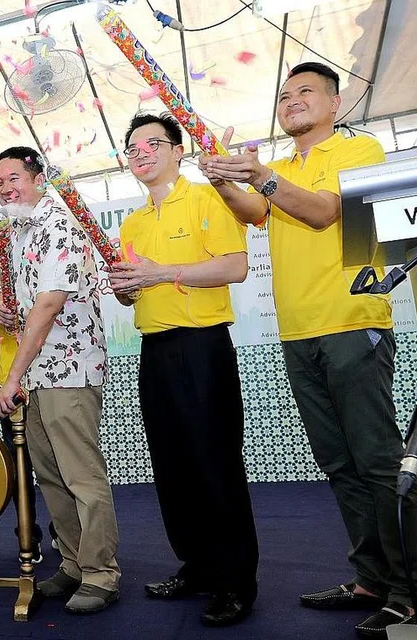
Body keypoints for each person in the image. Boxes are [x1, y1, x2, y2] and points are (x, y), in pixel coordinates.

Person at [201, 61, 417, 639]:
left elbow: (325, 213)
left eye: (305, 91)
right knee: (339, 464)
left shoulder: (359, 149)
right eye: (284, 95)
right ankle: (372, 579)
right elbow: (256, 212)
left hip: (352, 324)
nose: (292, 100)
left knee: (378, 463)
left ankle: (412, 595)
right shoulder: (283, 168)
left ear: (334, 103)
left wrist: (261, 175)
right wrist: (223, 179)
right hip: (298, 333)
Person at [111, 113, 258, 626]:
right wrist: (128, 288)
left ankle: (235, 582)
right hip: (154, 350)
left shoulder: (207, 198)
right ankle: (197, 566)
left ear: (178, 151)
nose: (141, 153)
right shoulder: (131, 223)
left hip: (201, 347)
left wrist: (162, 273)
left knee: (215, 464)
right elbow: (136, 290)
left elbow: (235, 266)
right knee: (172, 466)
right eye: (132, 148)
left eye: (152, 143)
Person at [0, 146, 121, 615]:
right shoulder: (18, 232)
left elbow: (47, 307)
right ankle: (72, 564)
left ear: (39, 178)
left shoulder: (60, 225)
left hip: (69, 369)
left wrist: (10, 379)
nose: (5, 189)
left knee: (81, 475)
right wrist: (3, 310)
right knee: (50, 476)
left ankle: (101, 573)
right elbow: (26, 307)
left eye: (14, 178)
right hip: (39, 375)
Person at [0, 288, 43, 563]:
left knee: (57, 465)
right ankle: (28, 536)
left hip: (48, 381)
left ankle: (66, 533)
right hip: (10, 391)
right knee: (20, 469)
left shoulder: (45, 278)